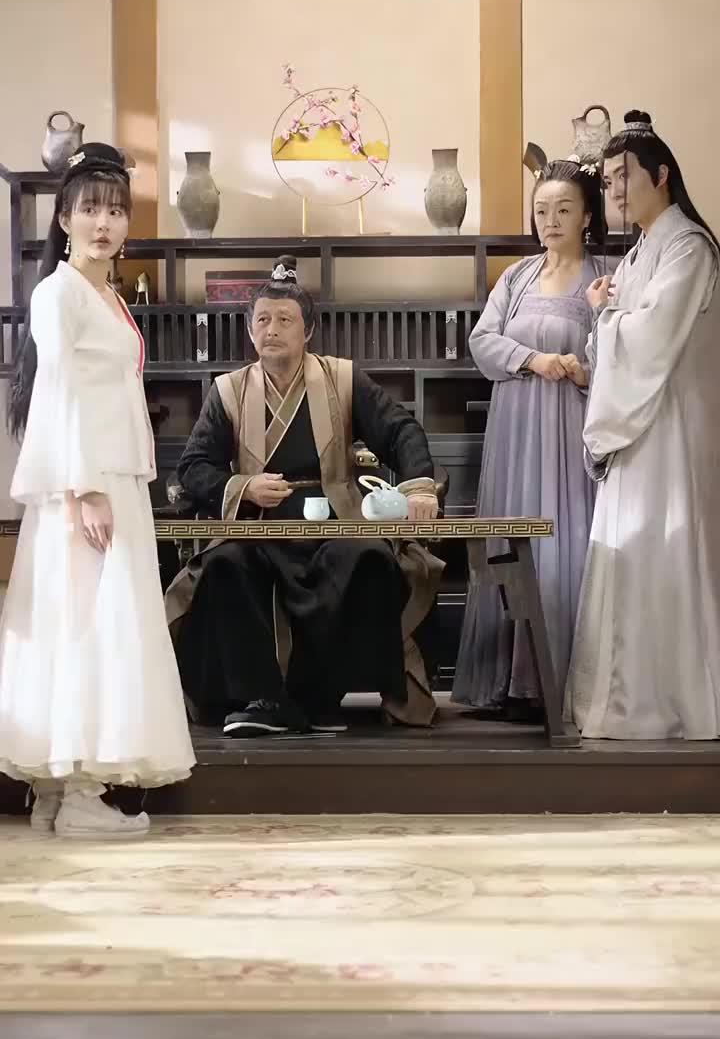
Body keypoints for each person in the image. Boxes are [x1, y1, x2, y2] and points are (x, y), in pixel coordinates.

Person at [0, 143, 195, 836]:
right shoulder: (58, 293)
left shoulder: (106, 295)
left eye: (115, 211)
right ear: (64, 218)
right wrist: (84, 488)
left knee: (89, 622)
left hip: (112, 477)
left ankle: (61, 792)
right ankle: (82, 794)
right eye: (90, 209)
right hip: (88, 483)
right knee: (88, 623)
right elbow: (59, 391)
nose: (104, 223)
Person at [166, 254, 442, 735]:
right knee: (225, 565)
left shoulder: (342, 378)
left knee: (367, 559)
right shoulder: (229, 391)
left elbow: (400, 430)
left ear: (307, 330)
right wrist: (244, 486)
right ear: (250, 330)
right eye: (262, 320)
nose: (271, 329)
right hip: (258, 526)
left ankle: (319, 698)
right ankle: (261, 699)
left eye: (284, 319)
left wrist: (419, 486)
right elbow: (193, 468)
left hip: (334, 521)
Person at [566, 110, 720, 739]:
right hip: (636, 425)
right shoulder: (637, 256)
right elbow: (614, 339)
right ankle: (622, 701)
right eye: (606, 181)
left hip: (671, 425)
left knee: (666, 546)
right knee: (631, 548)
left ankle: (675, 704)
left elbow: (652, 338)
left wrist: (606, 317)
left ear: (661, 175)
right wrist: (603, 314)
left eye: (624, 176)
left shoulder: (689, 247)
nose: (615, 190)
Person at [453, 157, 605, 713]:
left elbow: (622, 351)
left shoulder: (604, 277)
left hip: (571, 427)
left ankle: (558, 682)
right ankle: (509, 683)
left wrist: (585, 372)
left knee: (568, 541)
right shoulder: (516, 277)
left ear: (587, 215)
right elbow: (482, 342)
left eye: (564, 209)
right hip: (516, 429)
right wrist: (535, 360)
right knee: (514, 541)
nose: (551, 220)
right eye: (542, 211)